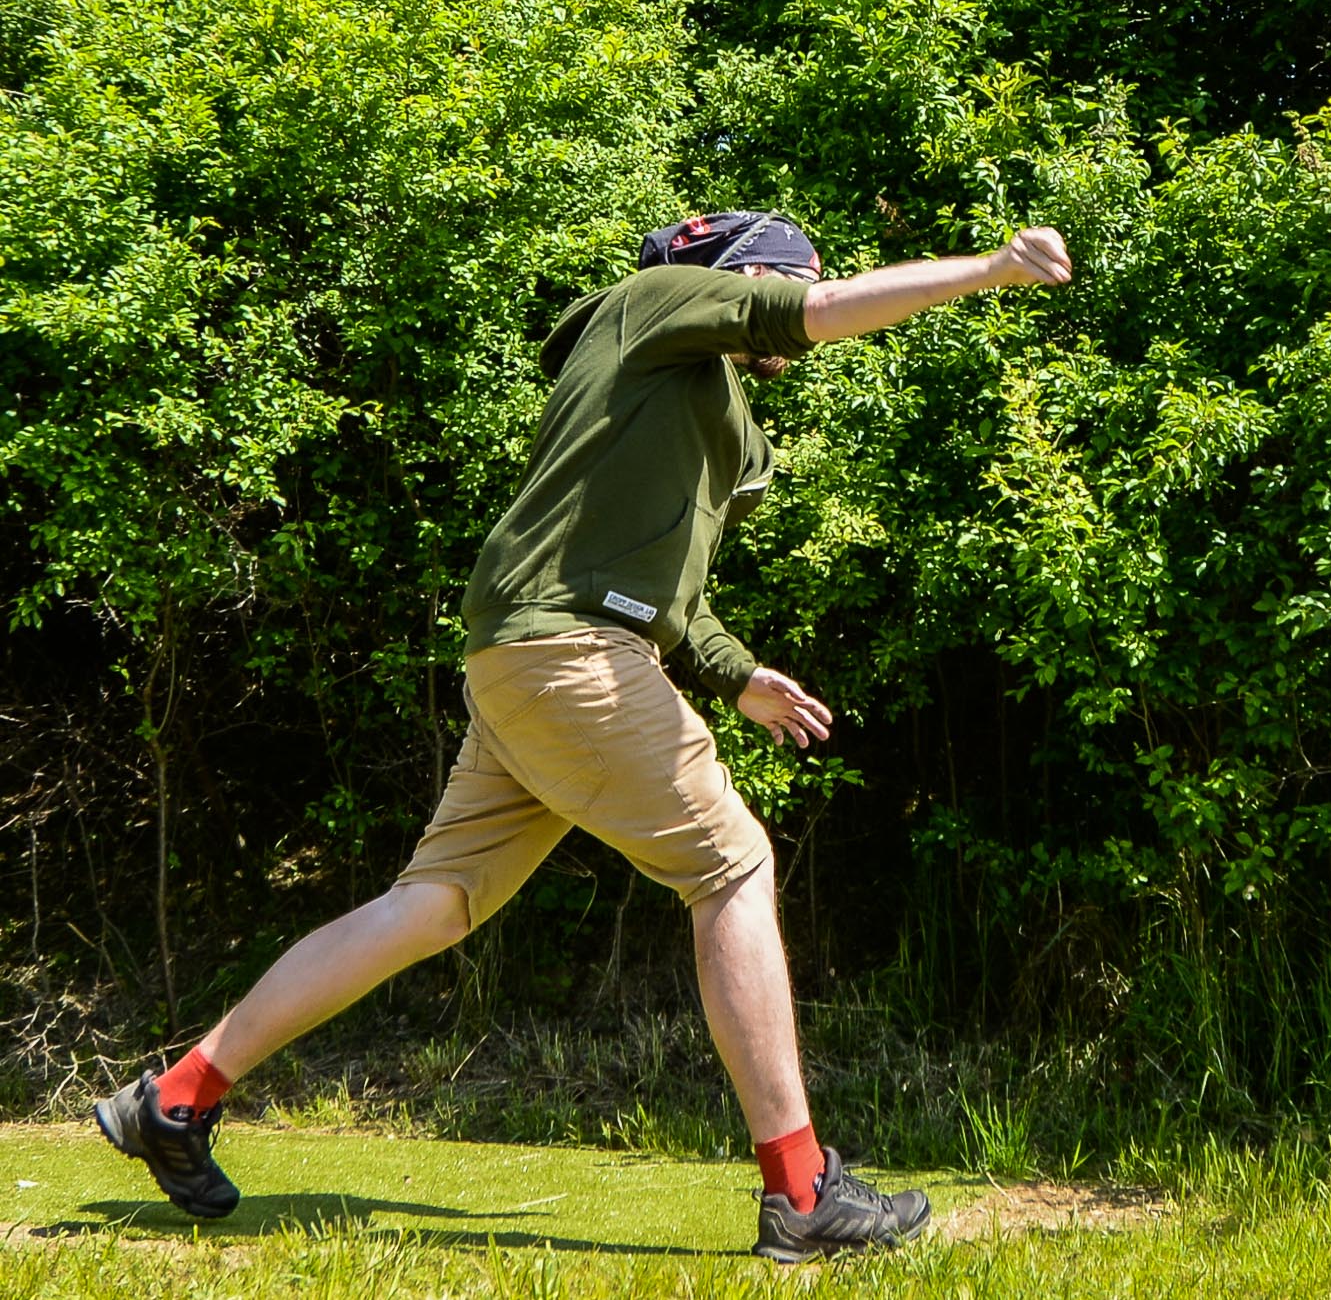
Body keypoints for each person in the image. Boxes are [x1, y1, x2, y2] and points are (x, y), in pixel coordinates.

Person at [93, 211, 1074, 1262]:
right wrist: (987, 270)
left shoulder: (714, 406)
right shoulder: (656, 304)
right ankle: (801, 1192)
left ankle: (177, 1098)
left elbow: (668, 582)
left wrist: (738, 675)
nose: (805, 291)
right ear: (735, 277)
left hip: (527, 658)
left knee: (432, 903)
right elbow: (822, 312)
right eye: (788, 277)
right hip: (570, 652)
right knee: (733, 869)